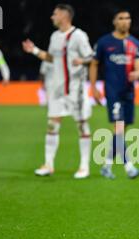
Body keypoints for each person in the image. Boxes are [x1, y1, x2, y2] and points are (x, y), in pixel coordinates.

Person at [22, 4, 94, 179]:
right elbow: (52, 58)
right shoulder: (55, 36)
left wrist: (82, 61)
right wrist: (35, 51)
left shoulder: (79, 36)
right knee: (52, 125)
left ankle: (84, 166)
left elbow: (92, 57)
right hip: (57, 90)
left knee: (82, 126)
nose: (52, 17)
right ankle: (48, 164)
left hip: (75, 90)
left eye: (55, 14)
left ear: (64, 15)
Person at [90, 9, 139, 180]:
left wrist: (138, 73)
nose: (125, 21)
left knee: (121, 131)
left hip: (128, 92)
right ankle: (129, 167)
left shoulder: (135, 43)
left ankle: (106, 165)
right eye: (121, 18)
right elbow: (94, 64)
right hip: (113, 92)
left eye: (128, 18)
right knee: (119, 128)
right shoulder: (104, 42)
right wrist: (93, 87)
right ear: (114, 21)